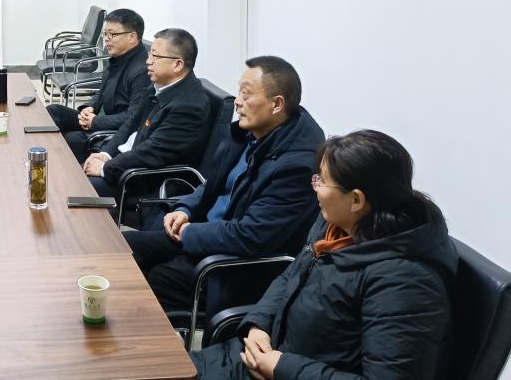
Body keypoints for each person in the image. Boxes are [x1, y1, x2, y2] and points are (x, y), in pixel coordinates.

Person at [192, 129, 456, 380]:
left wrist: (281, 367)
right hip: (262, 356)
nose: (315, 187)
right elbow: (291, 276)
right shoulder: (334, 225)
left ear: (356, 200)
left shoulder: (405, 281)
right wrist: (258, 324)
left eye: (322, 181)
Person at [125, 56, 325, 311]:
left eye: (246, 94)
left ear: (276, 104)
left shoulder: (297, 166)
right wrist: (186, 208)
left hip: (234, 264)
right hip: (207, 232)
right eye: (239, 91)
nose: (237, 101)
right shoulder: (252, 133)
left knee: (153, 280)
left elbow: (251, 236)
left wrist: (189, 233)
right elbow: (213, 184)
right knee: (125, 249)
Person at [82, 28, 210, 198]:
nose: (148, 62)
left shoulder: (189, 107)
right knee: (74, 171)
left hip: (142, 181)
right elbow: (130, 123)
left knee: (78, 187)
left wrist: (106, 168)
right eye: (150, 54)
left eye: (155, 56)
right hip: (126, 163)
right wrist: (106, 154)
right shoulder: (160, 85)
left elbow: (151, 152)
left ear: (177, 65)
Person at [46, 8, 151, 162]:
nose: (107, 39)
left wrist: (95, 122)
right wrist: (89, 108)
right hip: (99, 118)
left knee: (70, 139)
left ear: (132, 37)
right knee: (54, 111)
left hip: (115, 129)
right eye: (105, 34)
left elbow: (133, 117)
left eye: (112, 34)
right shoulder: (118, 57)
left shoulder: (142, 70)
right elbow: (101, 90)